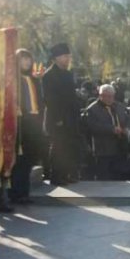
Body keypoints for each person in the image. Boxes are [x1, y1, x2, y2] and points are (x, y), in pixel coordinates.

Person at [42, 43, 81, 185]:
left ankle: (67, 174)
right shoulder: (49, 75)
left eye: (69, 56)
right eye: (65, 56)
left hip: (71, 117)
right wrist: (58, 118)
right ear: (57, 58)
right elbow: (49, 99)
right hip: (57, 118)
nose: (67, 59)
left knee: (70, 147)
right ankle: (56, 176)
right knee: (59, 147)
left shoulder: (68, 74)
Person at [10, 49, 45, 204]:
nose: (27, 63)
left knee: (30, 158)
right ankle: (15, 192)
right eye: (23, 60)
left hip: (34, 121)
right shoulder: (13, 80)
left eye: (28, 60)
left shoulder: (34, 79)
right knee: (19, 159)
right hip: (20, 122)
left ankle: (24, 191)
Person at [85, 84, 130, 180]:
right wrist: (111, 129)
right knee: (104, 176)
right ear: (100, 96)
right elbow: (92, 126)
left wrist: (127, 128)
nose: (109, 99)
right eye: (105, 96)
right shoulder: (92, 109)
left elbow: (128, 119)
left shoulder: (119, 106)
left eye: (111, 96)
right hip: (103, 149)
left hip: (120, 147)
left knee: (119, 175)